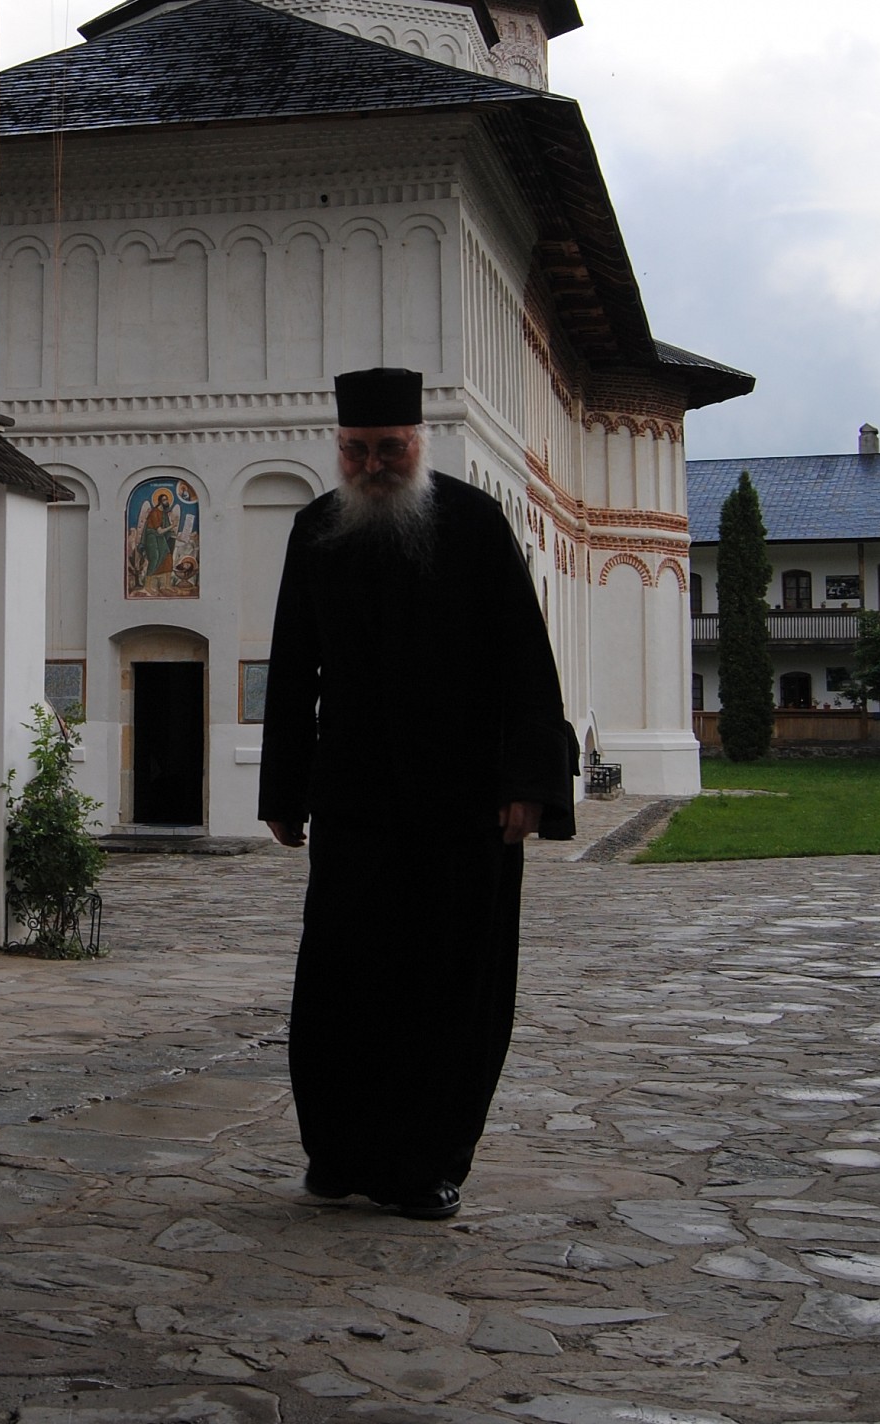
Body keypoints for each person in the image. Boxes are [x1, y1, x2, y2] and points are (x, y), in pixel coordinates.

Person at [258, 367, 575, 1221]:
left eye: (388, 449)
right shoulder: (315, 530)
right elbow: (293, 668)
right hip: (357, 799)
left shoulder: (474, 523)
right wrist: (284, 791)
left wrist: (527, 785)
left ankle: (430, 1161)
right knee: (342, 978)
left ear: (418, 444)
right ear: (340, 450)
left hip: (464, 805)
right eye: (356, 451)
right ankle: (338, 1152)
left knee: (449, 985)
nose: (372, 466)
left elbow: (524, 664)